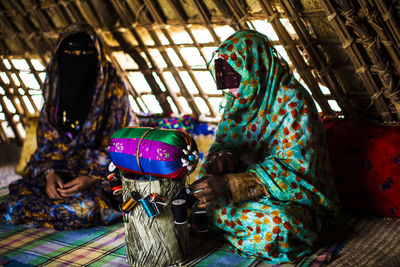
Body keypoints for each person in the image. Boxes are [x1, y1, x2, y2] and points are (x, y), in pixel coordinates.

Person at [190, 30, 340, 264]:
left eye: (235, 78)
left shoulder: (293, 102)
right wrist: (223, 158)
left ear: (254, 67)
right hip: (248, 199)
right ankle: (232, 226)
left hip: (295, 200)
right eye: (225, 80)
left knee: (279, 224)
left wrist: (230, 184)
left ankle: (231, 228)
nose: (230, 90)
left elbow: (296, 172)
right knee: (198, 202)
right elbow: (227, 143)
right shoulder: (237, 103)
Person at [0, 23, 136, 230]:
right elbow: (45, 152)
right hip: (59, 175)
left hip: (100, 181)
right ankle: (55, 209)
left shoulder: (112, 88)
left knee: (85, 208)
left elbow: (126, 149)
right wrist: (49, 176)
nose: (78, 59)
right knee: (13, 202)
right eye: (71, 53)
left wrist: (92, 178)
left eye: (86, 53)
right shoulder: (56, 87)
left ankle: (51, 212)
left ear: (97, 55)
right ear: (60, 56)